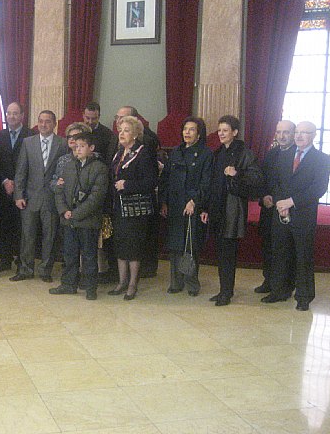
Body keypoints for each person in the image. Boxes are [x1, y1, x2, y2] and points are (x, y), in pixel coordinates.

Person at [261, 121, 330, 311]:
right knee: (280, 252)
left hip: (303, 214)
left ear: (313, 135)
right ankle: (279, 291)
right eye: (298, 132)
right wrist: (279, 202)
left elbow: (318, 189)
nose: (299, 136)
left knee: (303, 255)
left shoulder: (322, 159)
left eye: (304, 133)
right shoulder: (284, 156)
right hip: (281, 212)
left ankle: (304, 296)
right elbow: (275, 181)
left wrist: (291, 202)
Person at [201, 115, 263, 306]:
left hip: (232, 210)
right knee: (221, 252)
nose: (221, 134)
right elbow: (212, 184)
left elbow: (256, 180)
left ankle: (226, 293)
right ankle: (224, 290)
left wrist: (237, 174)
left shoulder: (245, 153)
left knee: (228, 253)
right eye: (219, 130)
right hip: (218, 209)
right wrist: (206, 208)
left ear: (235, 133)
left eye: (225, 130)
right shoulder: (217, 153)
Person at [50, 132, 108, 300]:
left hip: (87, 221)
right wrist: (64, 211)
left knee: (89, 256)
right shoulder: (68, 165)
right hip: (68, 219)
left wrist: (75, 214)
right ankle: (68, 284)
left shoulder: (99, 168)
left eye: (82, 146)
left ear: (91, 148)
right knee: (69, 254)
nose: (78, 149)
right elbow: (59, 190)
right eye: (76, 146)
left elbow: (96, 198)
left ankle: (90, 288)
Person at [159, 117, 213, 296]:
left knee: (191, 244)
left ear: (199, 134)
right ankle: (176, 282)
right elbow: (165, 178)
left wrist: (194, 201)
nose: (187, 133)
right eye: (185, 129)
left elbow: (206, 182)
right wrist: (164, 201)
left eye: (191, 130)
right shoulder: (175, 152)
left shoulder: (206, 154)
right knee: (175, 245)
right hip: (174, 204)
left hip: (192, 205)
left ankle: (191, 283)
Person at [13, 110, 67, 282]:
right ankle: (26, 269)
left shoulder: (62, 144)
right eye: (41, 121)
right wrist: (18, 195)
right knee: (27, 235)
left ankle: (45, 270)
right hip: (29, 198)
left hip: (51, 199)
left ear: (54, 124)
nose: (44, 125)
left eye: (48, 122)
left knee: (49, 236)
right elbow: (21, 171)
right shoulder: (28, 143)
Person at [109, 115, 158, 300]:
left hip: (135, 209)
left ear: (136, 133)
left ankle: (132, 285)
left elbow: (151, 181)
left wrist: (127, 185)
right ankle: (121, 282)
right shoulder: (119, 152)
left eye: (126, 130)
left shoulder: (143, 153)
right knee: (120, 245)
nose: (122, 134)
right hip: (119, 207)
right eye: (120, 130)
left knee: (133, 247)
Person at [255, 120, 296, 294]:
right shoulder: (271, 154)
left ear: (293, 134)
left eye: (286, 132)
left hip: (287, 210)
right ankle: (269, 280)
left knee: (284, 249)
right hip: (269, 209)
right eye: (279, 132)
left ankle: (283, 287)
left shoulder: (298, 155)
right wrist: (264, 196)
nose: (281, 136)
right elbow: (263, 180)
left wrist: (282, 201)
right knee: (268, 246)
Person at [0, 101, 31, 274]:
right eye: (9, 113)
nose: (12, 116)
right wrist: (5, 180)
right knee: (4, 227)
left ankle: (22, 262)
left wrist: (18, 183)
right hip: (3, 190)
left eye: (15, 113)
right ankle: (5, 259)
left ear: (22, 116)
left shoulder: (31, 135)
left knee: (23, 229)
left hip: (24, 191)